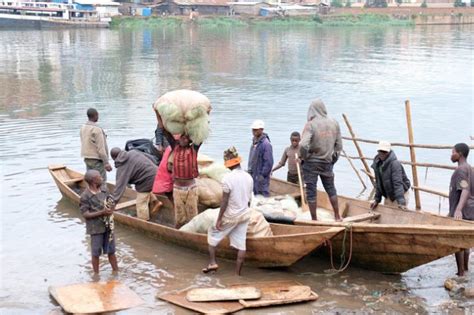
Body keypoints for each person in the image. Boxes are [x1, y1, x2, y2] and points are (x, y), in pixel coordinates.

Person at [204, 147, 253, 276]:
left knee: (212, 233)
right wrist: (246, 212)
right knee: (241, 245)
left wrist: (219, 219)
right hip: (245, 214)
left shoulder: (227, 179)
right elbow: (249, 200)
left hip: (232, 215)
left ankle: (212, 262)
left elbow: (224, 202)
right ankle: (237, 275)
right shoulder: (249, 177)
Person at [300, 99, 342, 222]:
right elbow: (339, 146)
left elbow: (303, 145)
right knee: (331, 189)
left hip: (311, 162)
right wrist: (333, 160)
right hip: (327, 162)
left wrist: (304, 156)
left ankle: (314, 219)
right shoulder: (334, 123)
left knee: (311, 190)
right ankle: (337, 216)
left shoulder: (311, 124)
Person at [159, 121, 201, 229]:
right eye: (182, 137)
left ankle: (192, 234)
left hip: (191, 189)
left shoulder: (193, 149)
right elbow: (164, 130)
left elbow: (200, 135)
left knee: (192, 216)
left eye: (186, 138)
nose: (183, 139)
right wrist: (157, 114)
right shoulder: (175, 147)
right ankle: (179, 232)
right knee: (179, 217)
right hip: (177, 189)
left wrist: (205, 116)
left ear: (190, 140)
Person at [80, 170, 118, 274]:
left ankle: (116, 272)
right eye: (99, 177)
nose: (101, 178)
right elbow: (86, 214)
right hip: (95, 228)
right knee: (96, 252)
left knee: (111, 251)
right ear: (93, 181)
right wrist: (102, 212)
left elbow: (111, 201)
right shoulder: (85, 196)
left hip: (108, 226)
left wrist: (111, 208)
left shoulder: (104, 190)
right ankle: (96, 275)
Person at [110, 148, 157, 221]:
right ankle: (156, 201)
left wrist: (112, 204)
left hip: (147, 180)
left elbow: (119, 188)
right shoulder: (133, 152)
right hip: (156, 172)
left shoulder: (122, 168)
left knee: (141, 203)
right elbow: (151, 157)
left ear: (113, 158)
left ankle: (144, 221)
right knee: (145, 188)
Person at [448, 143, 474, 276]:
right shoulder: (470, 168)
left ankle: (460, 273)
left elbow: (465, 189)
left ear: (460, 154)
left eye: (453, 152)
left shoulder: (461, 170)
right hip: (470, 211)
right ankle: (466, 270)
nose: (451, 154)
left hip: (462, 211)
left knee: (457, 242)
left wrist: (458, 209)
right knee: (466, 241)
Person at [370, 141, 411, 209]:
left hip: (401, 194)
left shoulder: (395, 164)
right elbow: (378, 183)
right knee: (387, 213)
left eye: (384, 152)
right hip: (389, 194)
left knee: (397, 216)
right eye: (381, 151)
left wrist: (401, 202)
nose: (382, 154)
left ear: (388, 152)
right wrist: (377, 199)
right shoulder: (377, 164)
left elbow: (397, 183)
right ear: (378, 151)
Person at [80, 108, 112, 183]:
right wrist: (106, 163)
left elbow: (84, 142)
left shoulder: (83, 127)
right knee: (101, 181)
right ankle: (102, 194)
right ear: (96, 115)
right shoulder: (97, 129)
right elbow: (101, 149)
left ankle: (92, 193)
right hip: (96, 160)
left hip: (87, 158)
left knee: (91, 180)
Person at [248, 120, 273, 197]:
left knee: (263, 195)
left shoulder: (266, 144)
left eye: (256, 129)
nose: (254, 131)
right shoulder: (254, 142)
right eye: (253, 129)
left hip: (261, 176)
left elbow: (269, 163)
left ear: (261, 130)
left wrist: (262, 175)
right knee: (254, 195)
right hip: (253, 174)